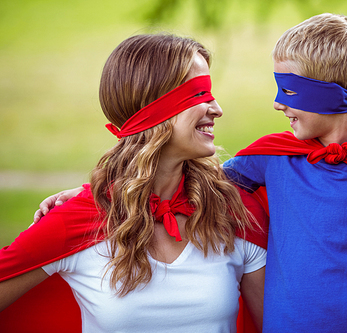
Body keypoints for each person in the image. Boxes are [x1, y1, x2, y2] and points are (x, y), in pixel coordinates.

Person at [31, 14, 347, 333]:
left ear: (334, 94)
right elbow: (186, 182)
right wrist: (102, 192)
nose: (278, 103)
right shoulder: (271, 156)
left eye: (290, 90)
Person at [0, 33, 268, 333]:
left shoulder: (235, 213)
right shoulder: (79, 220)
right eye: (198, 94)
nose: (216, 108)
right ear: (153, 109)